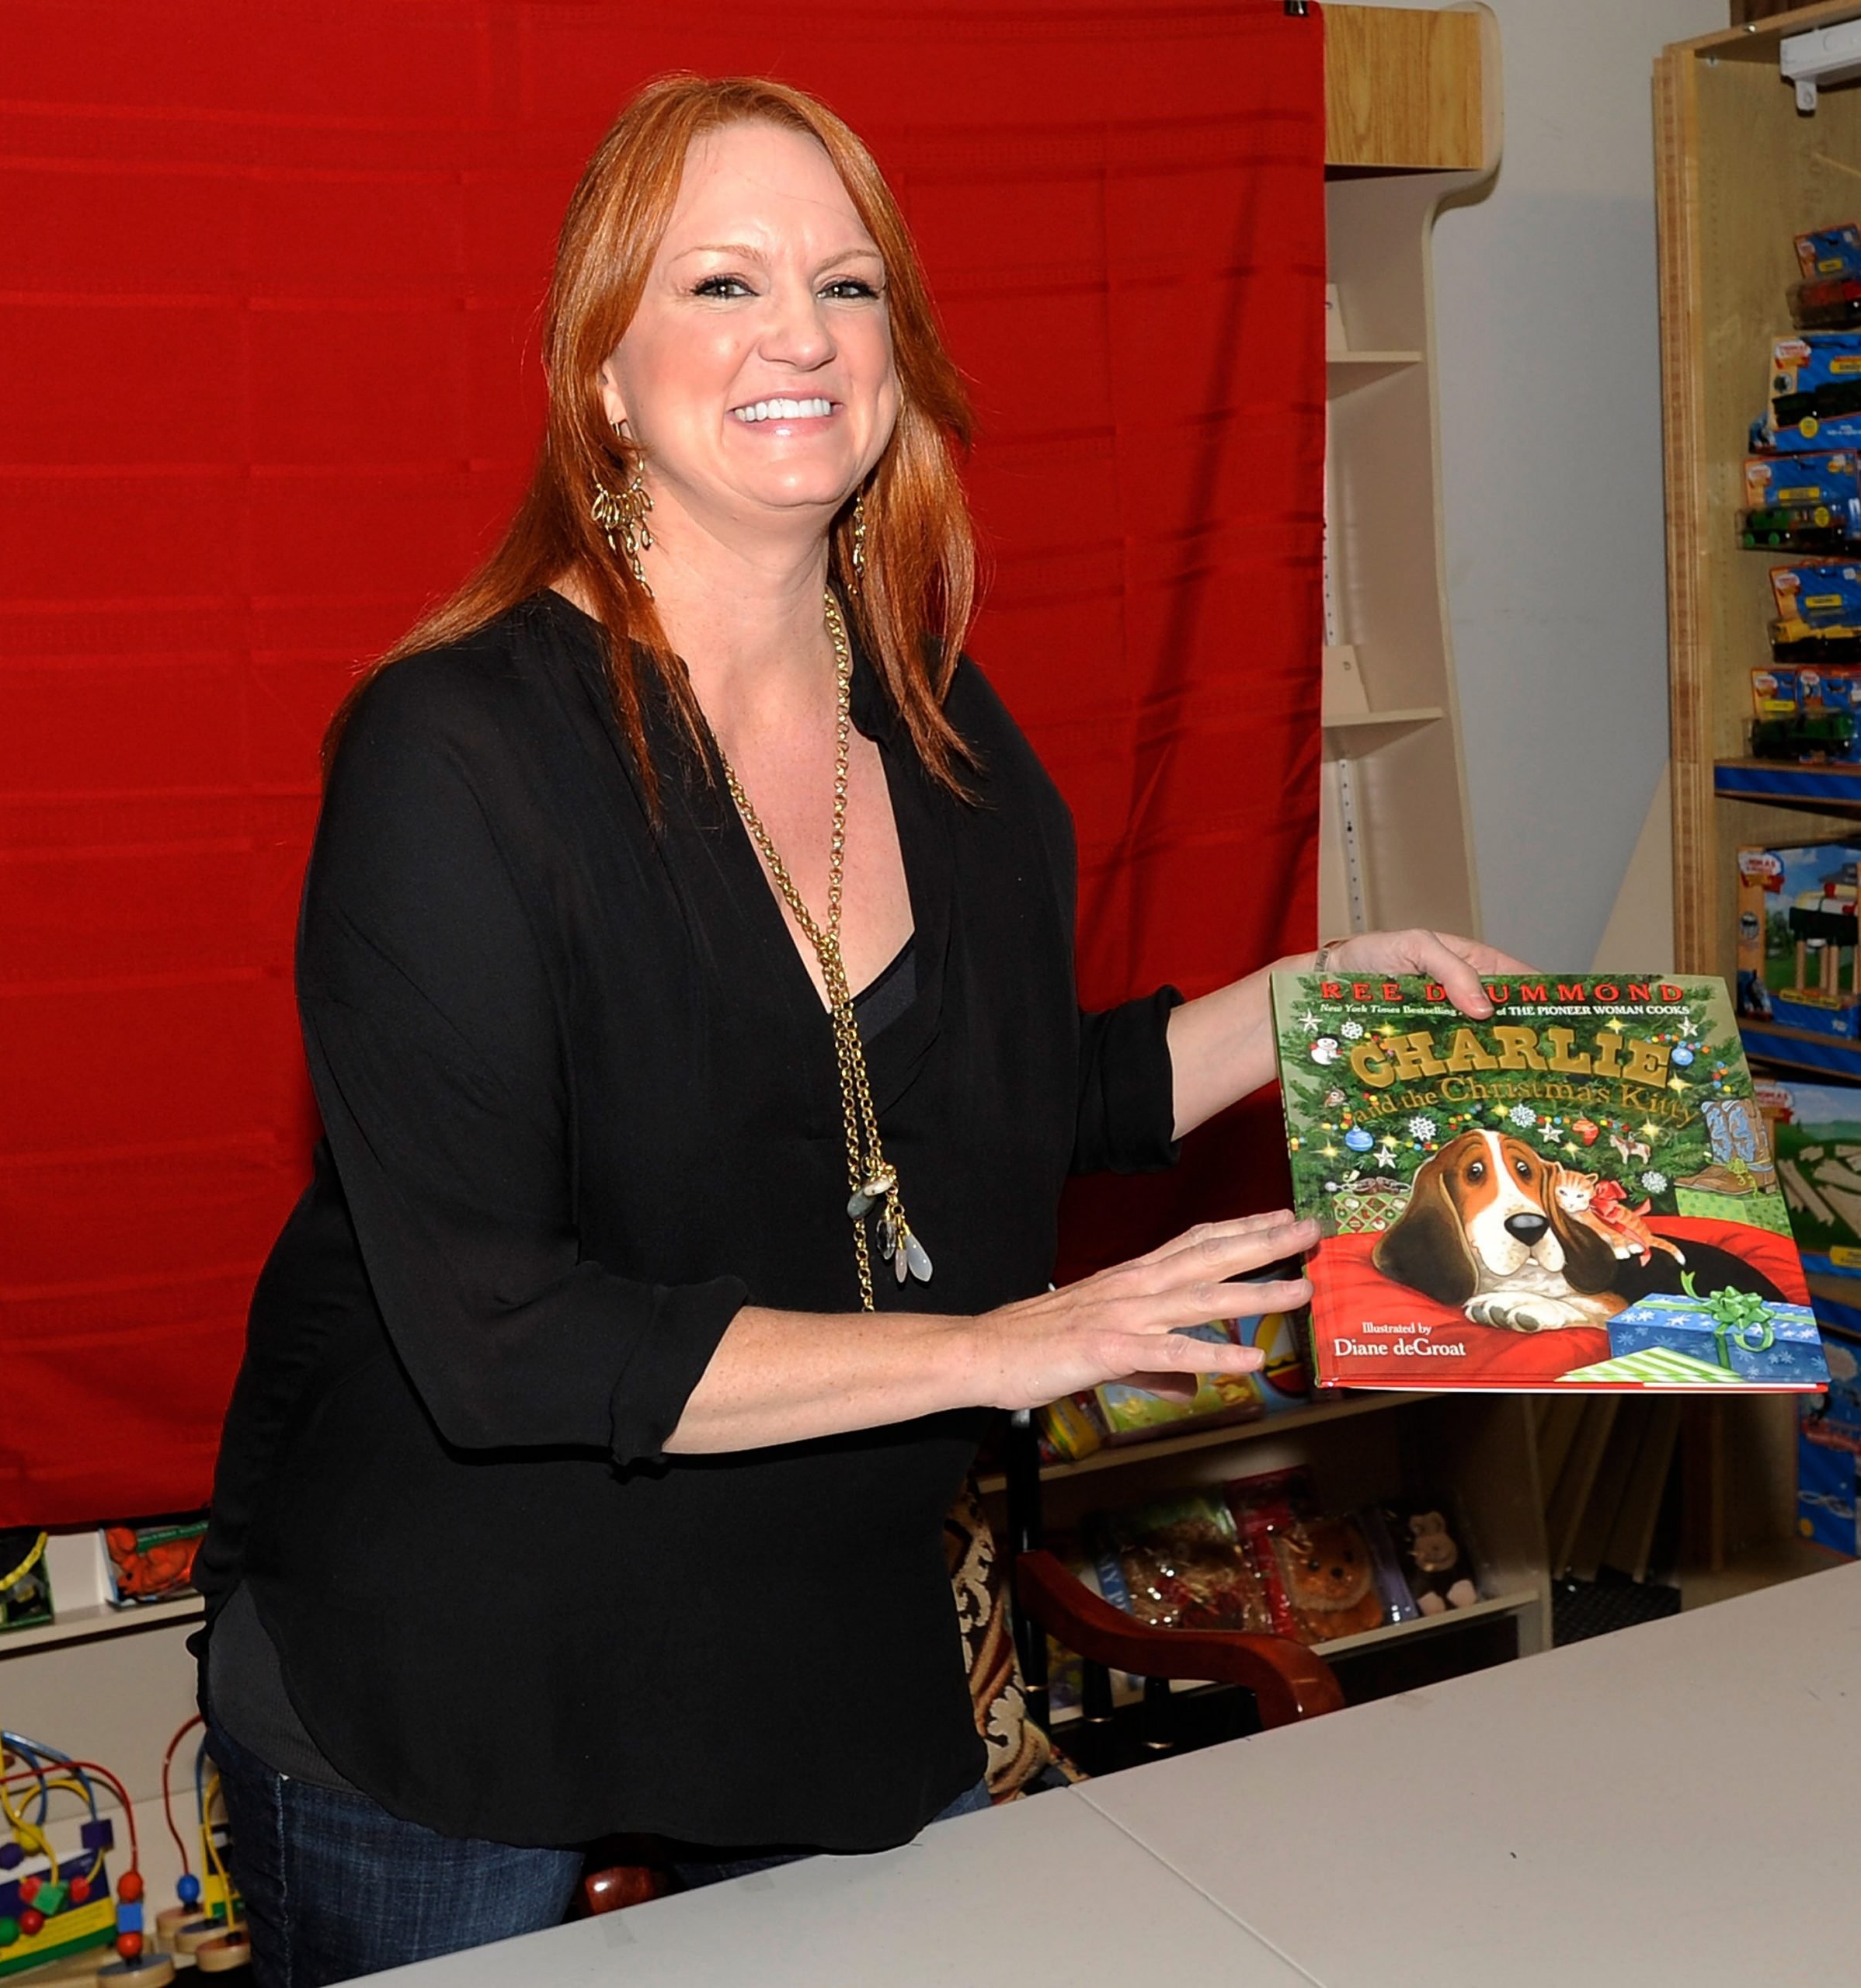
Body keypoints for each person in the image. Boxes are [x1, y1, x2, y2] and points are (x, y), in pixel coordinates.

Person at [193, 71, 1518, 1986]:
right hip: (456, 1670)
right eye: (722, 284)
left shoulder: (948, 732)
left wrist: (1306, 1002)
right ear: (601, 371)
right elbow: (500, 1340)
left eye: (848, 283)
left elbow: (990, 1103)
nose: (800, 333)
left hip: (805, 1636)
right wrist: (1002, 1344)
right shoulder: (456, 757)